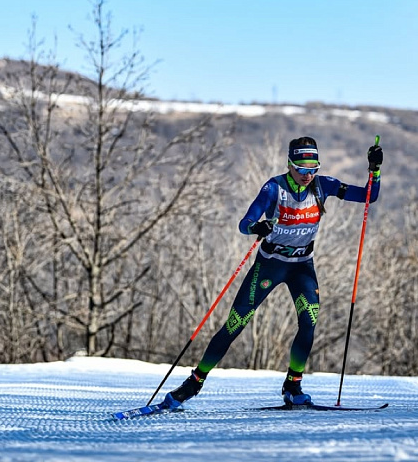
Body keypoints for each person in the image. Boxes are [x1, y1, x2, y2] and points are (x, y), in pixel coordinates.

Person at [162, 136, 383, 407]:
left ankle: (293, 384)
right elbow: (245, 223)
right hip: (270, 265)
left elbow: (370, 196)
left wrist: (375, 170)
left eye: (313, 168)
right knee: (235, 324)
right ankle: (193, 383)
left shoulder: (324, 185)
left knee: (309, 321)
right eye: (301, 168)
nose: (307, 174)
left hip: (302, 267)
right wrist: (258, 227)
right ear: (290, 165)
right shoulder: (273, 188)